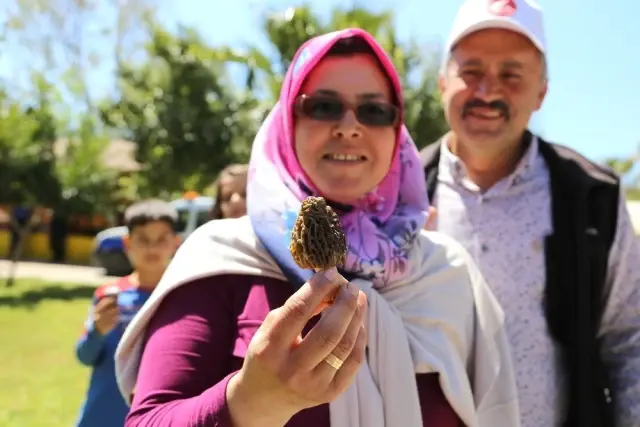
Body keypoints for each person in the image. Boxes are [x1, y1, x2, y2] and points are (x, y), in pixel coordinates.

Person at [115, 28, 520, 427]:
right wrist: (251, 403)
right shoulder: (221, 259)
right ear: (287, 121)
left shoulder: (447, 272)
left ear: (398, 133)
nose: (348, 126)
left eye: (374, 110)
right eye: (323, 106)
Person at [420, 1, 640, 426]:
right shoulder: (395, 193)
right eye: (472, 71)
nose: (487, 91)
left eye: (511, 74)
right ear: (442, 82)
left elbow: (628, 340)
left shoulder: (591, 196)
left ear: (541, 92)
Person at [74, 199, 180, 427]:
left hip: (155, 418)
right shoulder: (109, 295)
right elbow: (84, 356)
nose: (152, 248)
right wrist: (97, 332)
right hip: (101, 417)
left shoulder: (182, 298)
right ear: (127, 243)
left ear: (175, 243)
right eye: (143, 239)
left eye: (161, 239)